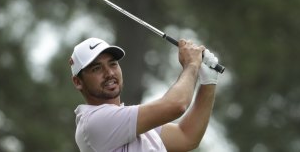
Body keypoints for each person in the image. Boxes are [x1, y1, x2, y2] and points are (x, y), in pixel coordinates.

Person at [69, 37, 220, 152]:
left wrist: (208, 82)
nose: (109, 73)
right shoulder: (93, 123)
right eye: (97, 68)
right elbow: (176, 105)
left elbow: (187, 136)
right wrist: (192, 65)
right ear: (77, 82)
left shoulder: (131, 123)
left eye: (113, 63)